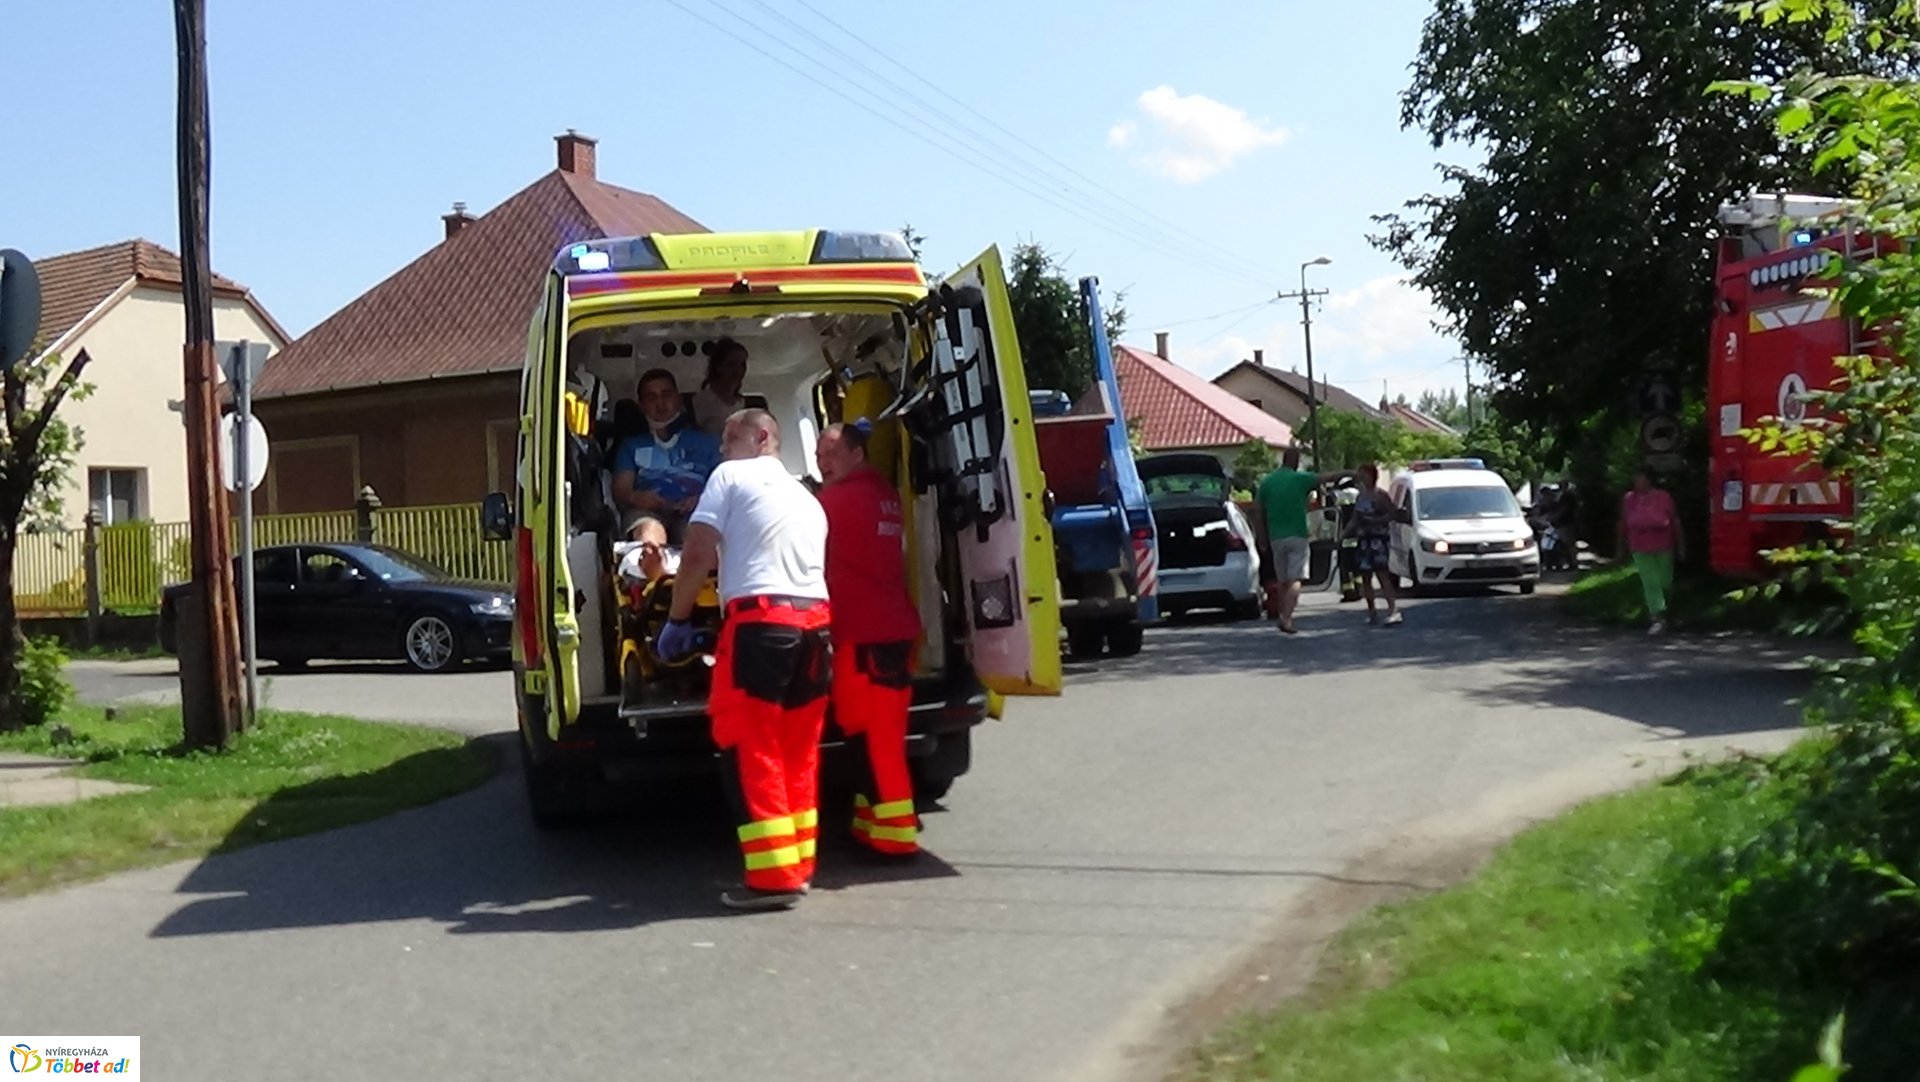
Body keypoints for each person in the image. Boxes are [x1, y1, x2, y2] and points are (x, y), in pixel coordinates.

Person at [658, 409, 831, 911]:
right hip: (816, 628)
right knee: (798, 748)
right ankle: (798, 864)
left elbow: (696, 553)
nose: (721, 447)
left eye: (730, 436)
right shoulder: (806, 497)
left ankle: (774, 878)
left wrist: (678, 616)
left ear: (761, 437)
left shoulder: (731, 476)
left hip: (761, 626)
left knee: (751, 743)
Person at [815, 419, 924, 858]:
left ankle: (897, 836)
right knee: (883, 734)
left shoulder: (833, 501)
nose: (824, 464)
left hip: (863, 637)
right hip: (896, 630)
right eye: (820, 456)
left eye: (832, 455)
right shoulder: (885, 496)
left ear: (857, 454)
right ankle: (870, 822)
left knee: (872, 737)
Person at [612, 369, 721, 542]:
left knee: (695, 536)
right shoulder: (630, 445)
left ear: (678, 399)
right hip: (646, 512)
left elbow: (723, 488)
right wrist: (638, 498)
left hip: (696, 512)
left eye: (666, 394)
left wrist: (700, 500)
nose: (660, 402)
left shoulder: (709, 443)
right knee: (649, 533)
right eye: (651, 397)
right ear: (641, 405)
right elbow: (621, 491)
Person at [1254, 446, 1349, 635]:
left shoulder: (1267, 482)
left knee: (1282, 579)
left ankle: (1282, 612)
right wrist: (1349, 472)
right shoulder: (1300, 479)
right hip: (1297, 534)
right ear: (1296, 461)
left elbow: (1258, 511)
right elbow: (1326, 477)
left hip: (1276, 536)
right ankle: (1287, 618)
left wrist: (1261, 536)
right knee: (1296, 579)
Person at [1618, 469, 1682, 635]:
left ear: (1649, 481)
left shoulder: (1663, 497)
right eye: (1635, 479)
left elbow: (1675, 521)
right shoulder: (1629, 499)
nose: (1637, 483)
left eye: (1641, 479)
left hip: (1663, 545)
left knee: (1665, 581)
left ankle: (1666, 613)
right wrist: (1620, 548)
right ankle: (1657, 618)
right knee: (1650, 581)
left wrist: (1681, 545)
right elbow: (1624, 522)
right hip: (1639, 547)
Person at [1348, 463, 1402, 627]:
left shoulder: (1381, 496)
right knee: (1365, 577)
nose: (1362, 478)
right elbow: (1355, 519)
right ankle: (1371, 612)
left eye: (1364, 474)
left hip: (1378, 539)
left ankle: (1393, 610)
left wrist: (1376, 521)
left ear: (1372, 476)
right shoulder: (1360, 496)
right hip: (1364, 539)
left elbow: (1392, 514)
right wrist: (1343, 534)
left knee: (1382, 575)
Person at [691, 339, 750, 438]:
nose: (738, 370)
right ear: (718, 367)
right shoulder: (701, 401)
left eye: (742, 364)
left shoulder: (742, 402)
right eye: (731, 364)